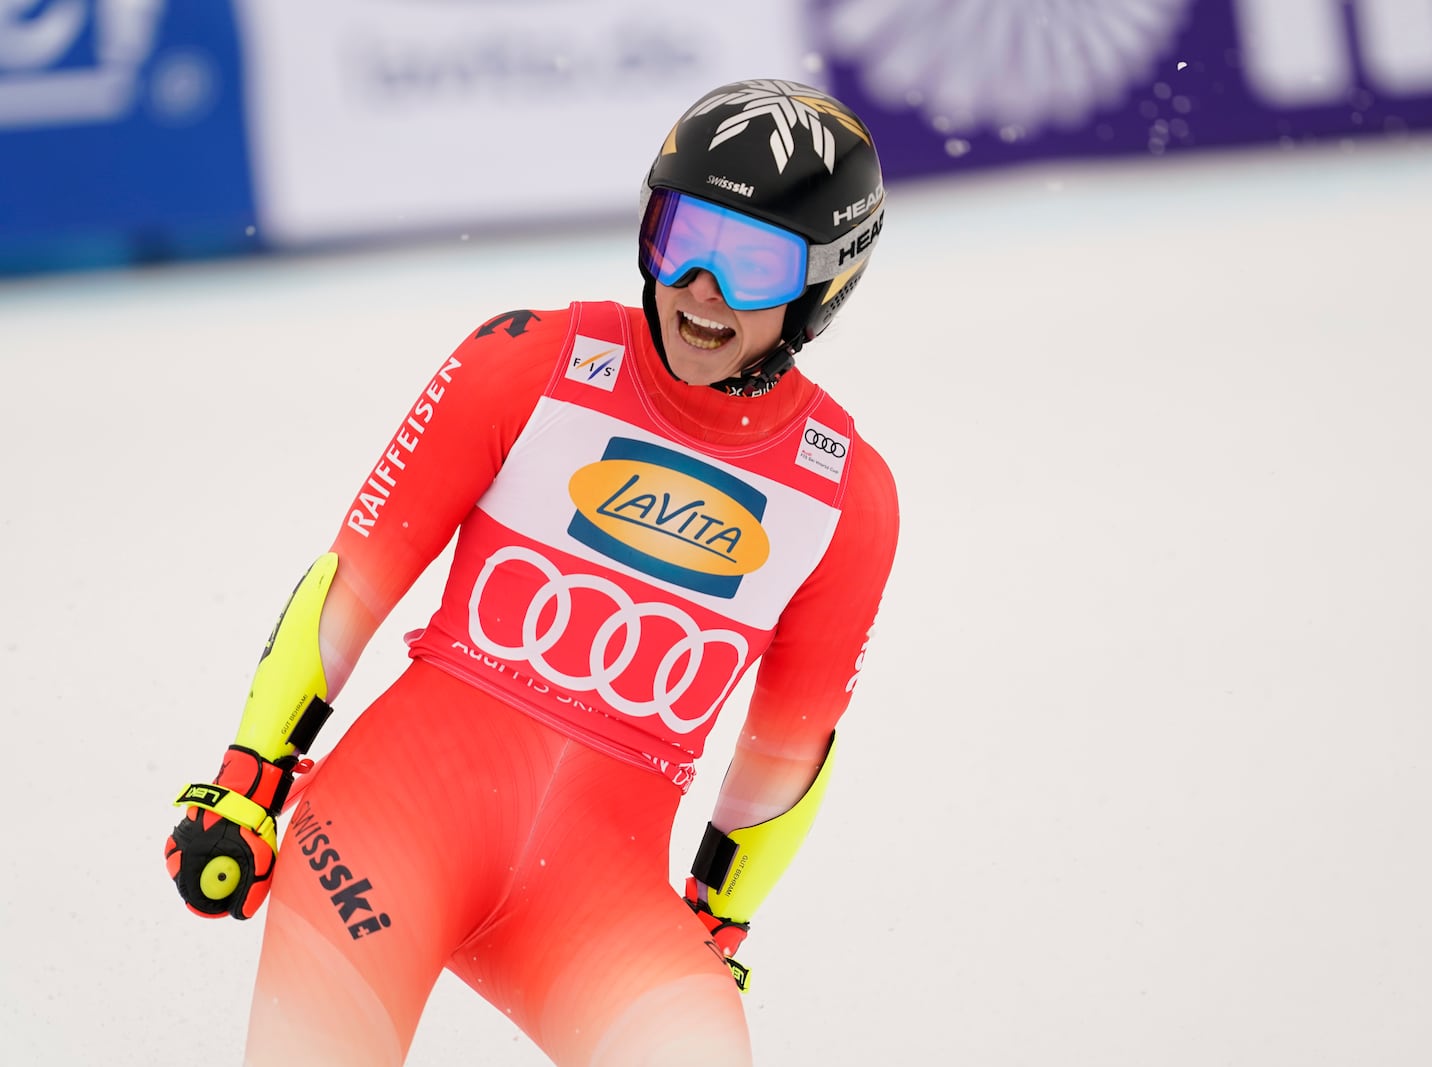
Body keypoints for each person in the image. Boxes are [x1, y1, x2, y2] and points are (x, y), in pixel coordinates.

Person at [163, 77, 898, 1066]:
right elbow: (352, 586)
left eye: (753, 260)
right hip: (387, 831)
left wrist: (717, 923)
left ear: (823, 284)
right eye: (683, 236)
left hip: (594, 900)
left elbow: (788, 748)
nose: (702, 289)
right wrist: (248, 783)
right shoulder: (529, 360)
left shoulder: (846, 495)